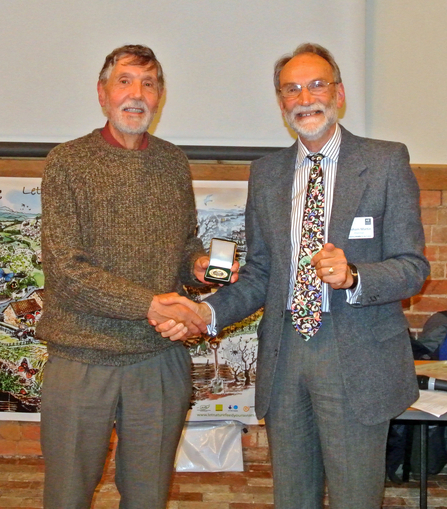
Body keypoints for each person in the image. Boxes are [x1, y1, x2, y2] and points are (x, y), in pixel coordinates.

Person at [156, 43, 430, 508]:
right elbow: (262, 272)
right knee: (293, 498)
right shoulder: (267, 174)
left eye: (317, 84)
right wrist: (204, 312)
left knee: (355, 498)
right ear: (282, 103)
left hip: (357, 356)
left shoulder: (385, 162)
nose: (305, 97)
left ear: (339, 93)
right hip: (284, 358)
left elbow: (412, 267)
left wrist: (355, 276)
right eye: (291, 89)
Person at [36, 44, 236, 509]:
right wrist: (150, 304)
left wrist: (200, 267)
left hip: (158, 362)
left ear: (160, 96)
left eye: (148, 84)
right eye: (124, 81)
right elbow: (66, 270)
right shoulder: (67, 162)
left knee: (148, 497)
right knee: (67, 497)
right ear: (103, 93)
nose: (137, 94)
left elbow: (184, 247)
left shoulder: (172, 163)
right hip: (82, 358)